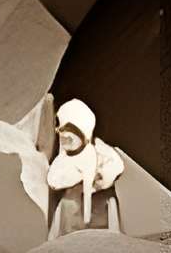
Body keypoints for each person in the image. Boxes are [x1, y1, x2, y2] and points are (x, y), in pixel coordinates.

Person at [45, 99, 131, 238]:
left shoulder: (101, 152)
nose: (65, 136)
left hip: (99, 208)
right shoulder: (63, 160)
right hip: (72, 211)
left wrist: (100, 178)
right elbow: (54, 180)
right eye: (62, 130)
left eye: (71, 130)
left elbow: (115, 166)